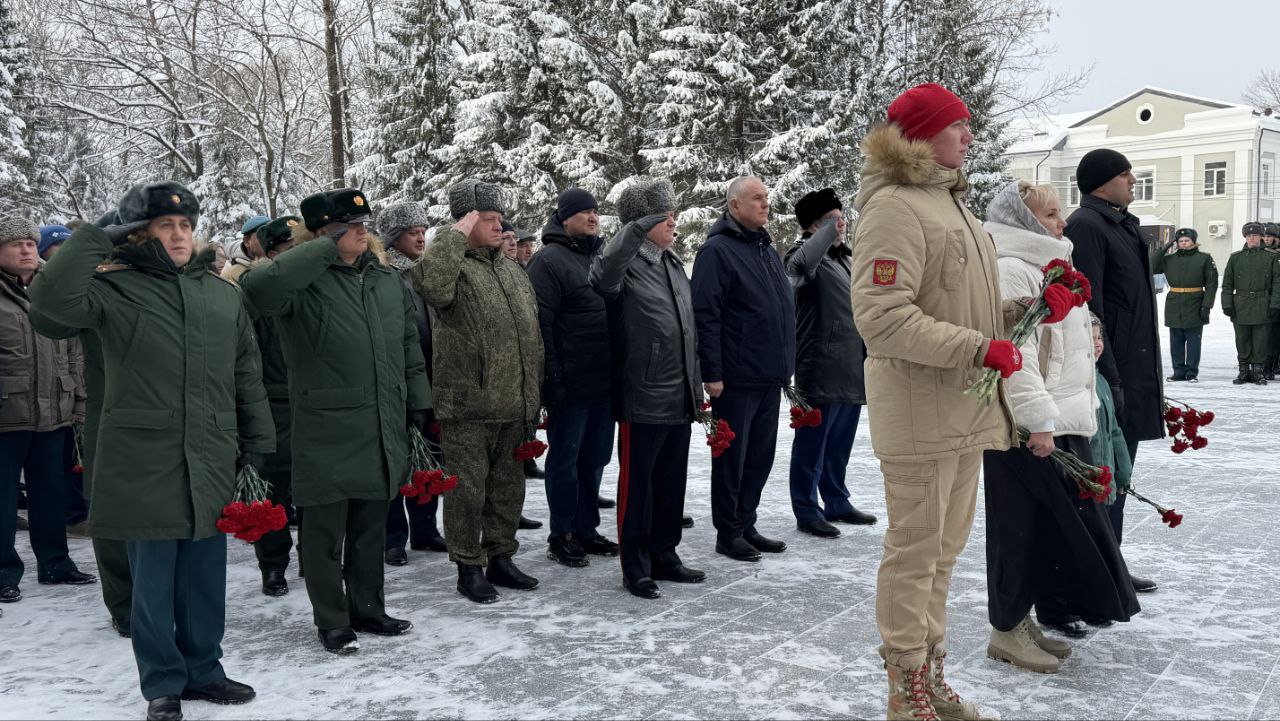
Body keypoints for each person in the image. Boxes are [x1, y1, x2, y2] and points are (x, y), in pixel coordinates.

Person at [30, 181, 275, 721]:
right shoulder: (111, 289)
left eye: (186, 225)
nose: (180, 234)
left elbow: (245, 374)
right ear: (140, 233)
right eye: (166, 225)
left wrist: (259, 442)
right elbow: (47, 307)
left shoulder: (222, 294)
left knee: (205, 575)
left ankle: (204, 670)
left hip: (211, 452)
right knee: (154, 581)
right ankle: (162, 683)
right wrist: (96, 237)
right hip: (143, 457)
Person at [850, 83, 1017, 721]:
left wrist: (1019, 314)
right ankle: (904, 687)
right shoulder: (896, 207)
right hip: (920, 412)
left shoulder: (953, 207)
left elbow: (957, 306)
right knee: (915, 550)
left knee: (943, 554)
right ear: (920, 136)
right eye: (957, 127)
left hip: (965, 409)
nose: (969, 137)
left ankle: (932, 674)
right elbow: (882, 319)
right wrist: (979, 347)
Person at [241, 188, 431, 654]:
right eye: (348, 227)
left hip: (381, 419)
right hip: (325, 424)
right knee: (324, 532)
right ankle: (332, 618)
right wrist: (324, 249)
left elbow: (408, 342)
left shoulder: (384, 280)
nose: (360, 234)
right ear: (324, 233)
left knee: (370, 524)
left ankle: (368, 608)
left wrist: (419, 402)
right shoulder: (302, 281)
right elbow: (257, 291)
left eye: (363, 226)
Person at [981, 181, 1139, 673]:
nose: (1062, 222)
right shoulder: (1011, 269)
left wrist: (1088, 339)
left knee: (1047, 528)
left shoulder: (1051, 265)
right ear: (1024, 222)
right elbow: (1016, 357)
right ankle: (1006, 628)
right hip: (1027, 426)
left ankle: (1021, 621)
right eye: (1051, 214)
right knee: (1017, 529)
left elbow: (1058, 340)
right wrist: (1038, 420)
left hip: (1061, 417)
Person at [413, 179, 544, 604]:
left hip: (514, 403)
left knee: (508, 488)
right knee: (467, 492)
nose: (498, 225)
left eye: (498, 218)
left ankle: (501, 557)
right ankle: (468, 566)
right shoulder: (450, 267)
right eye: (486, 219)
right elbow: (432, 287)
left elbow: (530, 335)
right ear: (465, 223)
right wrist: (452, 237)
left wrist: (533, 395)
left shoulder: (509, 270)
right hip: (469, 404)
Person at [590, 177, 705, 599]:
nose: (674, 222)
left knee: (671, 483)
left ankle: (665, 554)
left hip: (678, 395)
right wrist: (635, 230)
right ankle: (635, 565)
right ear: (643, 222)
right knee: (637, 488)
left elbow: (687, 332)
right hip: (644, 395)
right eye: (664, 215)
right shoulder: (622, 263)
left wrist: (696, 387)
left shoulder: (672, 264)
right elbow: (602, 279)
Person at [1066, 148, 1161, 592]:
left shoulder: (1121, 223)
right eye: (1126, 174)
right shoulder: (1087, 226)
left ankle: (1111, 564)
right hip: (1110, 371)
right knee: (1102, 473)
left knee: (1119, 471)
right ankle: (1098, 571)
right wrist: (1108, 375)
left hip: (1134, 367)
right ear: (1102, 183)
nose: (1133, 180)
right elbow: (1091, 307)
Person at [691, 176, 794, 563]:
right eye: (756, 199)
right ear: (734, 206)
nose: (765, 204)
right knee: (733, 458)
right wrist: (712, 373)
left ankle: (746, 522)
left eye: (766, 198)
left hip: (769, 374)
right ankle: (728, 531)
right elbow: (707, 314)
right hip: (735, 376)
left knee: (760, 456)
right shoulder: (717, 251)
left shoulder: (765, 248)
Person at [1, 217, 96, 607]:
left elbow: (73, 350)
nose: (26, 249)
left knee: (51, 494)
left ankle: (55, 563)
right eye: (15, 243)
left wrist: (77, 400)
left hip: (54, 410)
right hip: (7, 414)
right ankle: (4, 572)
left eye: (29, 242)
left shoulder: (52, 290)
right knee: (4, 499)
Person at [527, 188, 619, 567]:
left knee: (595, 458)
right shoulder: (548, 261)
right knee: (565, 461)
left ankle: (587, 528)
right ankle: (561, 533)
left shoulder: (601, 255)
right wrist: (553, 379)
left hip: (603, 379)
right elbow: (541, 326)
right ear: (565, 218)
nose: (593, 217)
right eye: (584, 212)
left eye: (596, 211)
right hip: (570, 382)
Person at [784, 188, 875, 539]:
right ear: (812, 227)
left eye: (841, 218)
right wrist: (822, 235)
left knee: (839, 444)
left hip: (852, 366)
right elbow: (799, 266)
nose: (840, 225)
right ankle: (806, 509)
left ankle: (836, 500)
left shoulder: (848, 259)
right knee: (812, 446)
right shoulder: (802, 257)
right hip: (819, 365)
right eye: (830, 221)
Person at [224, 216, 303, 597]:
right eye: (289, 252)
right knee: (273, 490)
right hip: (272, 405)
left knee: (314, 490)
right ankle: (273, 566)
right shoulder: (250, 297)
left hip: (311, 407)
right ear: (271, 255)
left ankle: (318, 556)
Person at [376, 201, 447, 564]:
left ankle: (425, 529)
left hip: (432, 378)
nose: (421, 238)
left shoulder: (425, 273)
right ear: (393, 237)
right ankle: (392, 537)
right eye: (411, 232)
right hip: (395, 382)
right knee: (396, 463)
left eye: (423, 232)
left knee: (428, 458)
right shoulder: (380, 274)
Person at [1152, 228, 1216, 383]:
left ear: (1193, 241)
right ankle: (1178, 371)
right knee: (1176, 341)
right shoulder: (1169, 259)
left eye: (1187, 240)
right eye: (1180, 241)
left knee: (1194, 341)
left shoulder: (1204, 259)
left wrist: (1206, 306)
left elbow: (1212, 284)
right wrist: (1164, 248)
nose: (1184, 243)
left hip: (1195, 302)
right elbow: (1153, 265)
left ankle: (1191, 372)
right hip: (1175, 302)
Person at [1221, 221, 1280, 386]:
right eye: (1248, 236)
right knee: (1242, 339)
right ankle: (1244, 371)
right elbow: (1227, 284)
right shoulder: (1236, 258)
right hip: (1241, 304)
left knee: (1261, 340)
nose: (1252, 238)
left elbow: (1277, 284)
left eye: (1255, 235)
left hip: (1263, 303)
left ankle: (1258, 372)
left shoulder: (1272, 257)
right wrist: (1227, 304)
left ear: (1261, 237)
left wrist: (1275, 305)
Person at [1262, 222, 1280, 379]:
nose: (1267, 239)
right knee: (1267, 336)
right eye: (1265, 236)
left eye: (1270, 237)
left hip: (1276, 298)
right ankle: (1266, 365)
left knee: (1275, 336)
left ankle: (1274, 364)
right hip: (1264, 299)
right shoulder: (1258, 252)